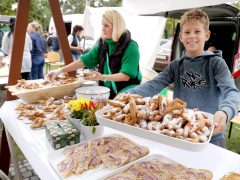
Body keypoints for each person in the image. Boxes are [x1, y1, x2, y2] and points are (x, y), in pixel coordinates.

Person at [127, 9, 240, 148]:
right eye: (187, 32)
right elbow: (154, 84)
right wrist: (129, 95)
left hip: (212, 134)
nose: (191, 36)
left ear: (207, 35)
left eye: (197, 31)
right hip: (180, 133)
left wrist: (225, 111)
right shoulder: (176, 66)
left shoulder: (216, 63)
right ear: (181, 37)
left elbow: (231, 92)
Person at [47, 10, 142, 99]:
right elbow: (83, 61)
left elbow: (125, 76)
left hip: (127, 92)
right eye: (102, 25)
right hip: (108, 91)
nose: (102, 29)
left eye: (106, 25)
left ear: (116, 26)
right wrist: (59, 70)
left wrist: (102, 77)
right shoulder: (103, 44)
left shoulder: (131, 47)